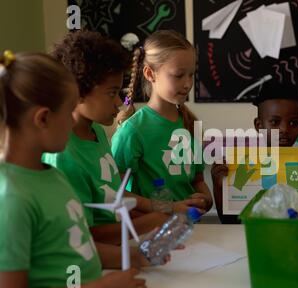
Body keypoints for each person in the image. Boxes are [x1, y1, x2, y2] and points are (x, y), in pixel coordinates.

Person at [0, 51, 146, 288]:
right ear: (43, 118)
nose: (72, 121)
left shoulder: (52, 176)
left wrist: (133, 256)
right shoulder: (12, 198)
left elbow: (74, 245)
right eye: (68, 113)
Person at [43, 30, 198, 245]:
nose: (119, 103)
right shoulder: (64, 154)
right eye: (111, 93)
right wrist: (151, 223)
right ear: (77, 92)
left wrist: (166, 210)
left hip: (122, 247)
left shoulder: (95, 131)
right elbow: (81, 237)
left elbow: (114, 195)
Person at [112, 30, 213, 214]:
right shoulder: (132, 131)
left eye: (191, 74)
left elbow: (198, 180)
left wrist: (206, 199)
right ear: (150, 74)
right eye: (178, 75)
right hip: (151, 232)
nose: (187, 84)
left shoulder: (190, 123)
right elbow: (116, 194)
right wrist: (170, 207)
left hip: (193, 229)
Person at [211, 81, 298, 223]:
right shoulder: (242, 162)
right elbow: (229, 220)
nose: (284, 129)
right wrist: (219, 187)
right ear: (259, 125)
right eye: (274, 122)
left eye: (293, 123)